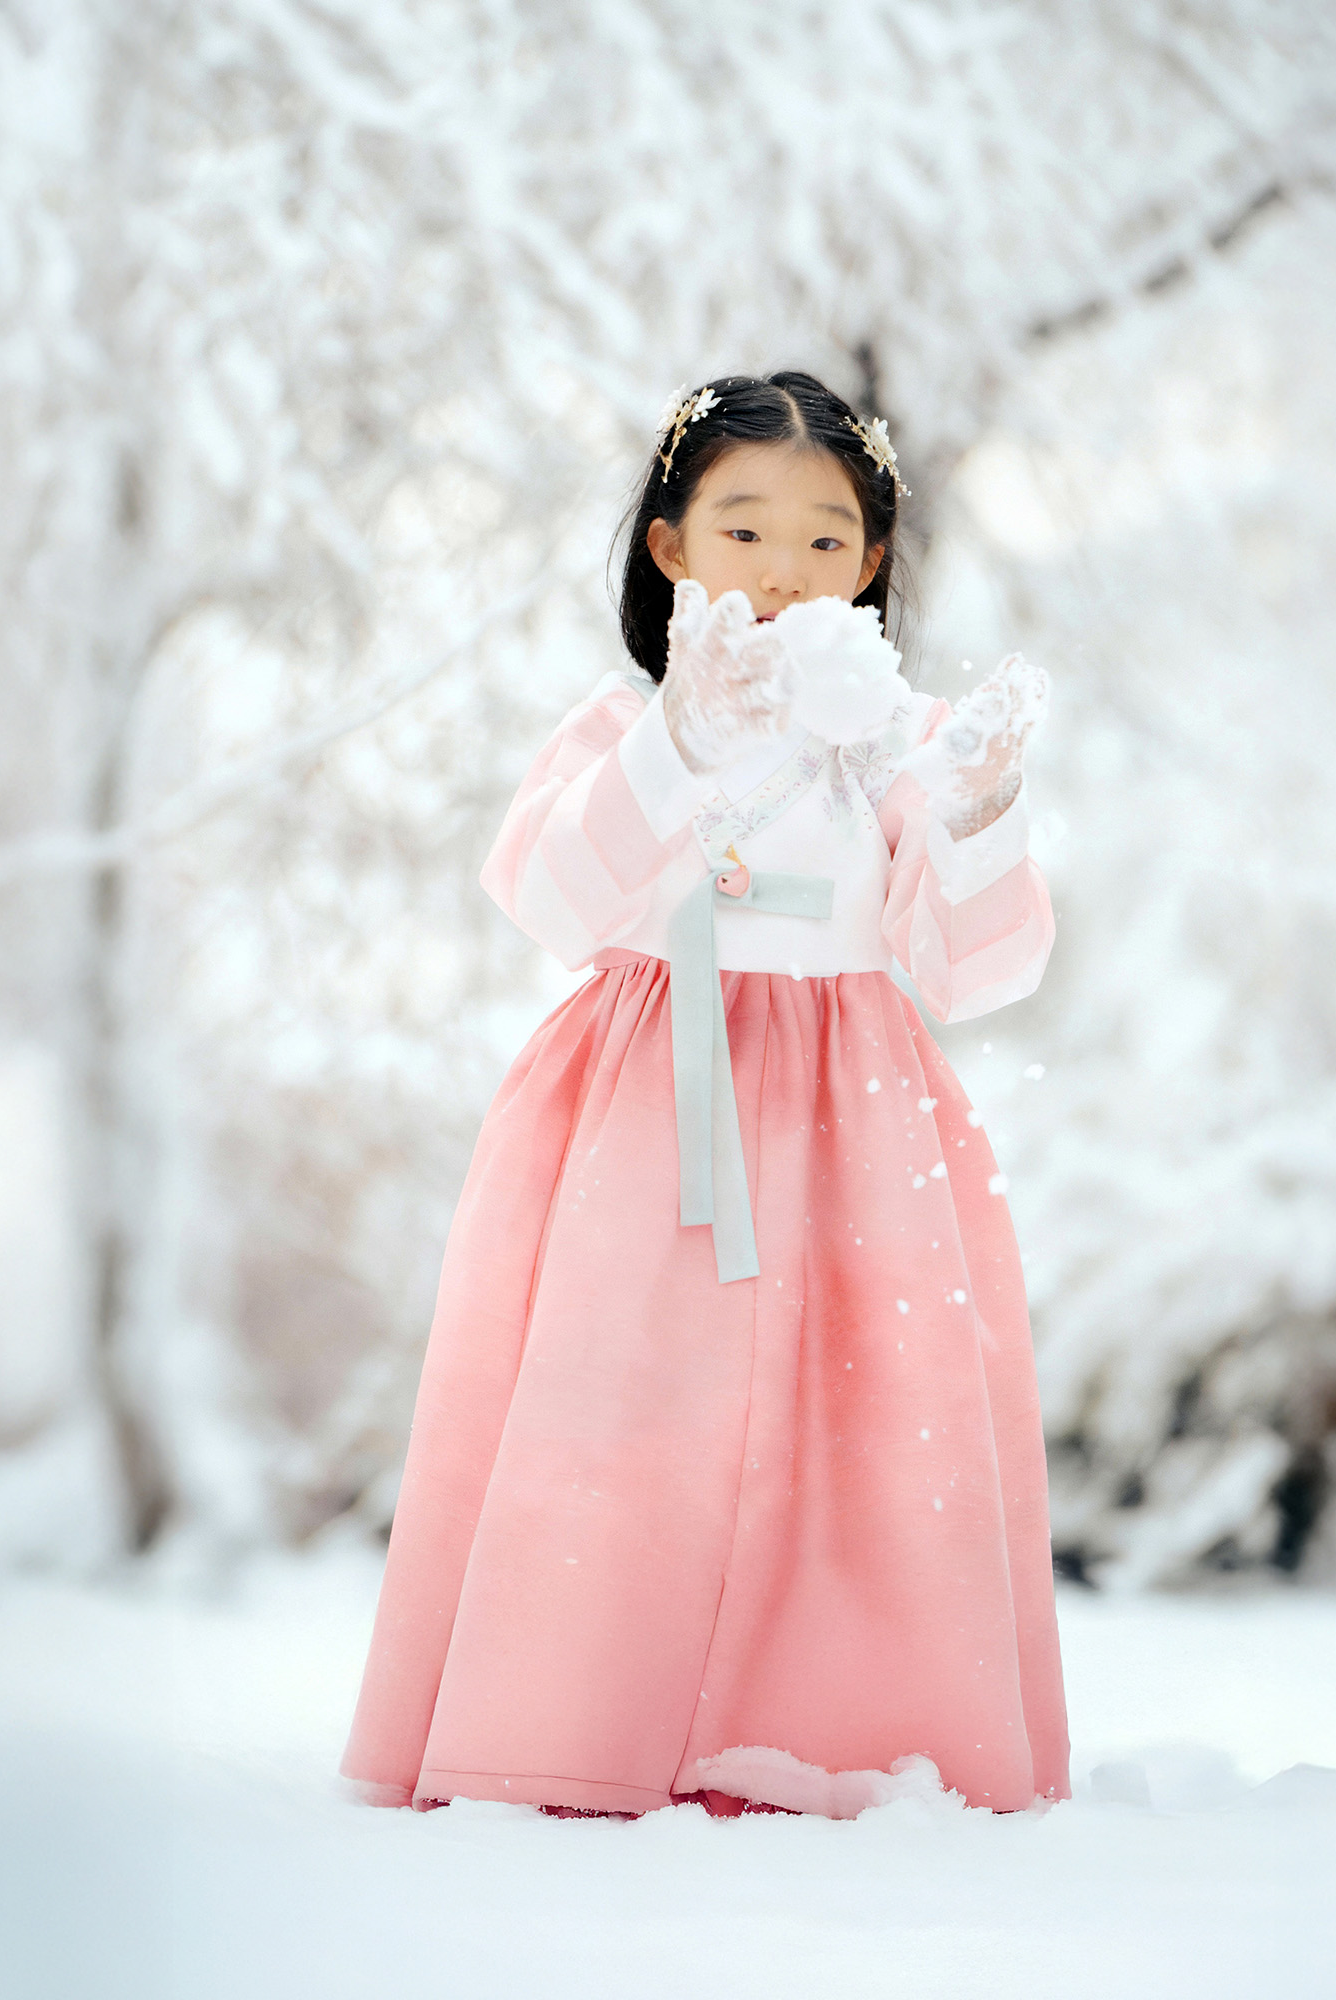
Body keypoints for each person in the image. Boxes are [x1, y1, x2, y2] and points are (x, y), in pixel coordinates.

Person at [339, 369, 1068, 1819]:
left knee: (861, 1413)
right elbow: (552, 892)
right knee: (622, 1407)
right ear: (670, 543)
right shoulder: (622, 724)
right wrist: (680, 744)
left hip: (854, 1119)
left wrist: (977, 813)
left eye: (822, 540)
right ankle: (570, 1723)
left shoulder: (899, 746)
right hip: (645, 1105)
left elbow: (976, 967)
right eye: (742, 532)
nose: (782, 574)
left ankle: (852, 1730)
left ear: (870, 562)